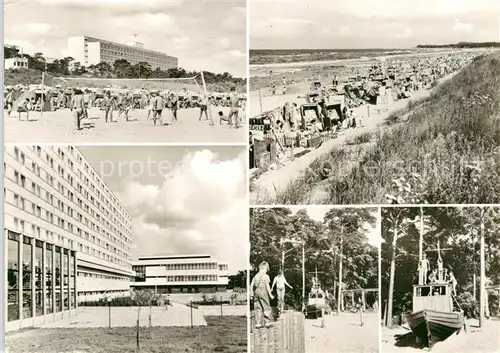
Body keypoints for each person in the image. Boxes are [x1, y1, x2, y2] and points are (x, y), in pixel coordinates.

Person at [251, 261, 274, 328]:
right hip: (263, 291)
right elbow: (267, 286)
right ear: (264, 268)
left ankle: (258, 323)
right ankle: (267, 322)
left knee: (258, 307)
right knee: (266, 306)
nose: (266, 271)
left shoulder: (255, 276)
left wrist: (252, 294)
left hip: (256, 292)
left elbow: (251, 285)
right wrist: (270, 295)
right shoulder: (266, 276)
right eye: (266, 269)